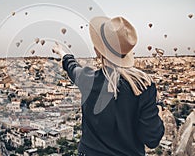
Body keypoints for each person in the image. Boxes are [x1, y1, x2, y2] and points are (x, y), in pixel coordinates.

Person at [52, 16, 164, 156]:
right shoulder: (144, 85)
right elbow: (152, 139)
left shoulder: (87, 79)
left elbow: (71, 66)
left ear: (98, 51)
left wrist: (61, 52)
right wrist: (158, 105)